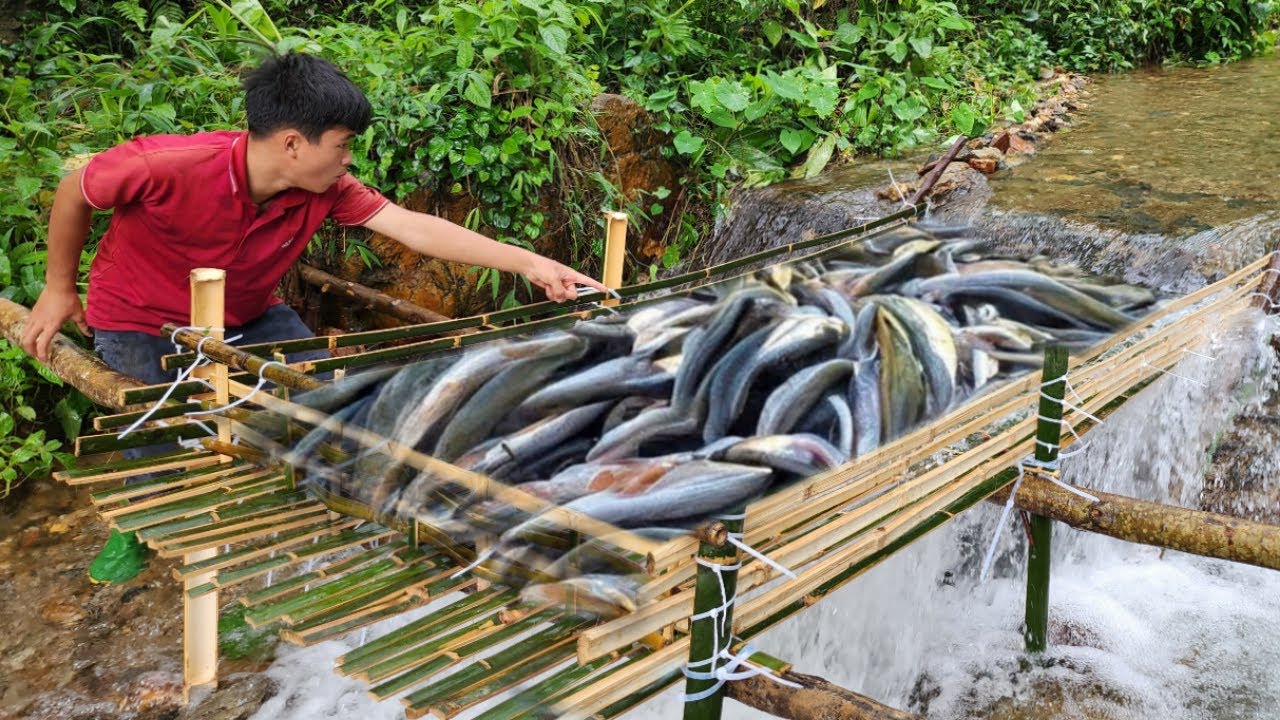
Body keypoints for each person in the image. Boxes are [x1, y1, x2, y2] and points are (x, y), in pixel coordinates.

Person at [19, 52, 609, 583]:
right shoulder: (168, 164)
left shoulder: (325, 188)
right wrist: (56, 288)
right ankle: (139, 530)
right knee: (160, 436)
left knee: (326, 392)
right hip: (140, 319)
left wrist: (531, 263)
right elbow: (75, 191)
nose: (349, 158)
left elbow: (411, 227)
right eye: (343, 143)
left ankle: (320, 500)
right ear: (294, 143)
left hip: (246, 315)